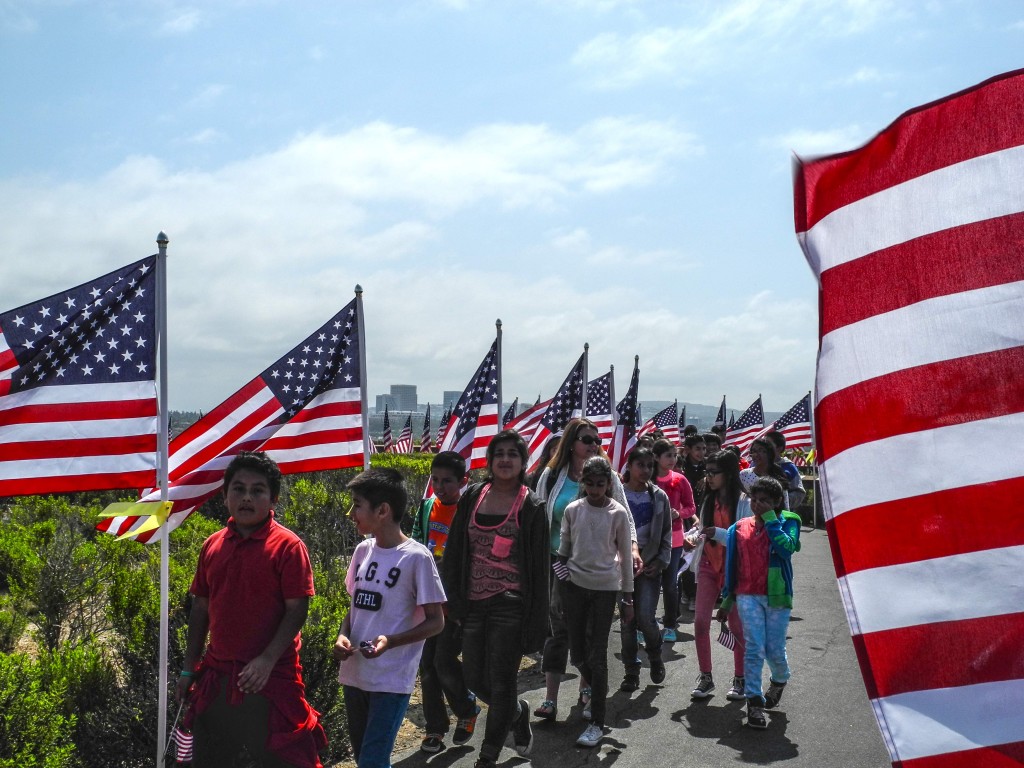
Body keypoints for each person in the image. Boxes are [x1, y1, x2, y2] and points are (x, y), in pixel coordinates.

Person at [177, 451, 327, 767]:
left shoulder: (288, 546)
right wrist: (189, 669)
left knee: (287, 760)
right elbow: (200, 607)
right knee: (209, 760)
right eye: (239, 488)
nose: (247, 497)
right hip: (217, 678)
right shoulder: (212, 544)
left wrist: (267, 660)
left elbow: (297, 609)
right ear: (225, 495)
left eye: (257, 490)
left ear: (272, 498)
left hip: (270, 680)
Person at [440, 430, 550, 768]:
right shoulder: (473, 495)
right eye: (499, 453)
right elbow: (457, 549)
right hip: (472, 603)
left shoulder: (531, 505)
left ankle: (488, 755)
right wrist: (452, 600)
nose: (505, 460)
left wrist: (537, 620)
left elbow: (540, 568)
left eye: (512, 454)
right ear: (489, 461)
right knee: (474, 678)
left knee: (502, 682)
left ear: (522, 462)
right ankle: (518, 713)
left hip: (511, 604)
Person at [334, 467, 446, 768]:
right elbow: (355, 606)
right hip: (355, 675)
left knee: (372, 761)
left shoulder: (417, 558)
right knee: (364, 759)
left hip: (391, 681)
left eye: (357, 504)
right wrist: (342, 635)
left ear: (382, 510)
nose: (351, 512)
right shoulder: (362, 551)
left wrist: (391, 641)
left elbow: (436, 622)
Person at [533, 418, 639, 720]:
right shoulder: (553, 476)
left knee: (591, 632)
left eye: (597, 440)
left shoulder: (609, 478)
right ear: (571, 442)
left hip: (595, 569)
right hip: (558, 565)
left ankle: (588, 688)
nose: (593, 445)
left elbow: (624, 516)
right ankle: (550, 699)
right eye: (586, 439)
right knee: (558, 632)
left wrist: (631, 548)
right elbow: (540, 516)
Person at [556, 456, 634, 748]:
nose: (595, 489)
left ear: (609, 484)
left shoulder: (617, 514)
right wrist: (560, 584)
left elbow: (625, 559)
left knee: (597, 655)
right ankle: (598, 690)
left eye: (600, 484)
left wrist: (628, 598)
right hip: (575, 588)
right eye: (589, 483)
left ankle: (597, 722)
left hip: (605, 591)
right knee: (578, 655)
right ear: (583, 482)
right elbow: (563, 550)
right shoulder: (573, 510)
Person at [717, 476, 801, 730]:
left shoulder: (789, 520)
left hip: (777, 597)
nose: (758, 504)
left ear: (777, 502)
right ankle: (754, 702)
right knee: (754, 648)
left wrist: (772, 520)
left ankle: (779, 679)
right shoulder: (738, 528)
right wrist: (727, 599)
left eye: (765, 500)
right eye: (754, 499)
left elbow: (788, 548)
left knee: (774, 649)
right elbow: (733, 566)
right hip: (747, 596)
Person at [409, 452, 479, 754]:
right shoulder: (426, 508)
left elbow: (473, 559)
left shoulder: (469, 512)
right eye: (435, 480)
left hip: (453, 605)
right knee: (427, 666)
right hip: (426, 602)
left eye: (447, 481)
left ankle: (466, 708)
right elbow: (413, 544)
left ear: (463, 481)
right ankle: (435, 728)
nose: (439, 486)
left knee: (443, 662)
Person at [688, 450, 749, 701]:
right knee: (700, 623)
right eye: (707, 472)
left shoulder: (744, 502)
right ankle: (706, 676)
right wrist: (695, 537)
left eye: (714, 472)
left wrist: (718, 533)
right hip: (708, 566)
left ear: (729, 473)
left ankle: (741, 678)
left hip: (735, 572)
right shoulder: (708, 500)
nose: (709, 477)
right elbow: (702, 530)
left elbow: (746, 537)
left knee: (737, 627)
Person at [618, 446, 672, 693]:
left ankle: (655, 655)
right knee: (628, 621)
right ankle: (631, 670)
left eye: (650, 466)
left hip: (649, 567)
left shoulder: (658, 496)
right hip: (621, 568)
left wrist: (660, 561)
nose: (646, 470)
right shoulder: (618, 494)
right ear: (629, 465)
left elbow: (666, 534)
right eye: (640, 465)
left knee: (646, 618)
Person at [651, 438, 696, 642]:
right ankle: (646, 622)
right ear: (656, 457)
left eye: (674, 455)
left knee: (670, 583)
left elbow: (691, 507)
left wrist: (679, 513)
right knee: (649, 583)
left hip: (675, 538)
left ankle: (670, 624)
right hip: (649, 539)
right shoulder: (646, 480)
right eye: (668, 455)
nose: (672, 459)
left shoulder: (680, 479)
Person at [740, 437, 792, 510]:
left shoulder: (777, 476)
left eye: (761, 451)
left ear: (769, 453)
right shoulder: (744, 475)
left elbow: (785, 506)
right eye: (753, 451)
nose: (756, 454)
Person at [764, 430, 806, 511]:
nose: (765, 447)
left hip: (782, 514)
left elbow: (799, 492)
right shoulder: (755, 464)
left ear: (779, 448)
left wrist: (781, 501)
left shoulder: (789, 467)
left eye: (768, 444)